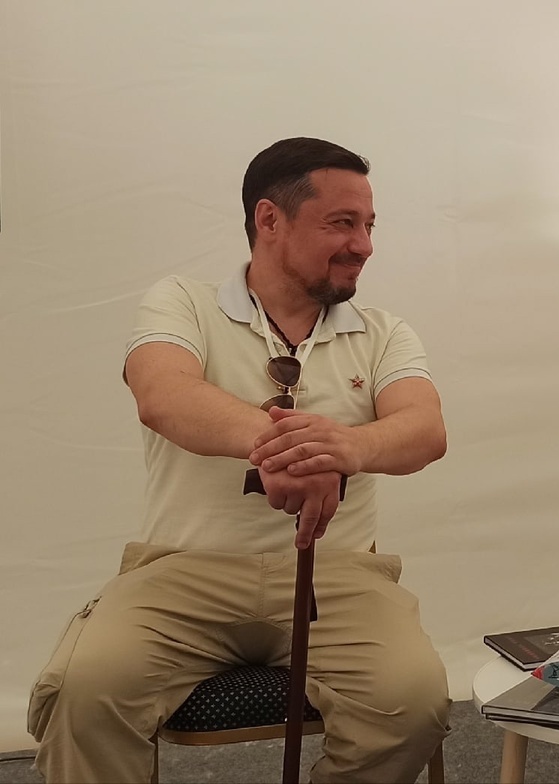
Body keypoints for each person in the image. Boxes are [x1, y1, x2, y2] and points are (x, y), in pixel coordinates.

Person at [27, 137, 450, 783]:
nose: (363, 244)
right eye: (342, 223)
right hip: (186, 572)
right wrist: (290, 448)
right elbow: (162, 393)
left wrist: (348, 447)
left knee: (412, 701)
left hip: (336, 579)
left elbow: (424, 428)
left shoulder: (384, 332)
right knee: (85, 691)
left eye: (369, 225)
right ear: (270, 219)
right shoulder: (183, 302)